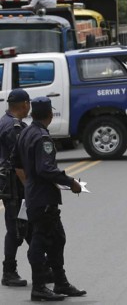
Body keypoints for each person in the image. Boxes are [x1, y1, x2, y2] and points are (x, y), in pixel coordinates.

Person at [15, 97, 86, 301]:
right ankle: (38, 287)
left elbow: (17, 162)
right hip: (43, 198)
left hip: (35, 195)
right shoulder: (41, 137)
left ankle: (61, 282)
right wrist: (70, 182)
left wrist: (29, 184)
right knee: (40, 241)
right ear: (49, 114)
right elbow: (46, 169)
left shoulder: (25, 132)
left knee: (57, 238)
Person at [0, 89, 30, 287]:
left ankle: (43, 266)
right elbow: (18, 163)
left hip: (8, 183)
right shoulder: (14, 127)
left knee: (26, 223)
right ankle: (9, 271)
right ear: (25, 104)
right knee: (16, 227)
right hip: (13, 184)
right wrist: (29, 187)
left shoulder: (4, 121)